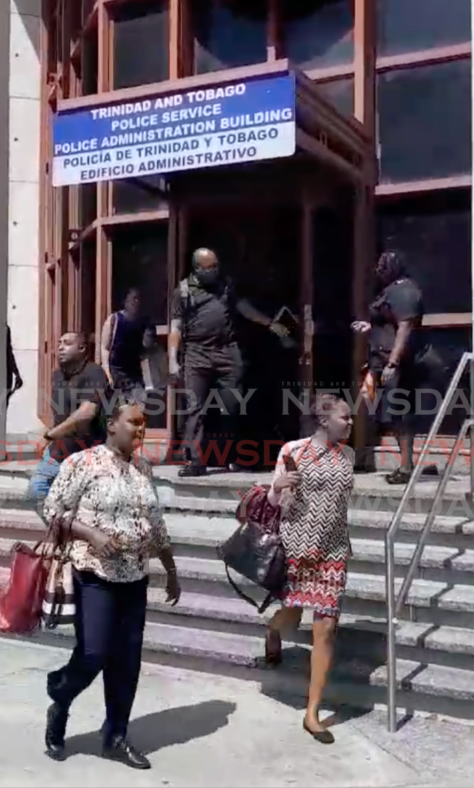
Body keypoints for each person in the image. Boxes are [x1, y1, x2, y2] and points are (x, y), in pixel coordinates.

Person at [43, 399, 181, 769]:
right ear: (111, 425)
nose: (140, 429)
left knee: (127, 660)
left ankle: (115, 736)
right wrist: (90, 533)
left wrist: (170, 567)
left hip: (135, 576)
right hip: (94, 574)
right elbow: (52, 510)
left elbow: (155, 521)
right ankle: (61, 696)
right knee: (93, 653)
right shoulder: (82, 463)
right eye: (133, 422)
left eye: (144, 424)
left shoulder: (142, 469)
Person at [264, 394, 354, 745]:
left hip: (333, 551)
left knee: (326, 628)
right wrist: (278, 487)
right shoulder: (294, 450)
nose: (349, 423)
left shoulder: (347, 455)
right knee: (291, 613)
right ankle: (273, 632)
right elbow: (274, 501)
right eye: (344, 418)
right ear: (324, 420)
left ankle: (312, 712)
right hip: (297, 548)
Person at [169, 247, 290, 476]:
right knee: (195, 407)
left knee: (232, 406)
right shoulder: (183, 291)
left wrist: (269, 323)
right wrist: (173, 360)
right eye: (209, 267)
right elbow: (175, 327)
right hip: (197, 352)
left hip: (227, 351)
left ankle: (232, 456)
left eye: (216, 266)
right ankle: (195, 462)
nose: (214, 270)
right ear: (197, 269)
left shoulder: (225, 285)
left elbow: (243, 309)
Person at [351, 250, 428, 485]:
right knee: (387, 413)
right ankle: (405, 465)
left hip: (396, 364)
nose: (380, 269)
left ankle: (406, 467)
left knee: (398, 414)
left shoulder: (405, 291)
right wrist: (368, 325)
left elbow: (405, 327)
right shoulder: (391, 290)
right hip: (380, 361)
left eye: (385, 265)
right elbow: (388, 321)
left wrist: (393, 363)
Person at [27, 331, 108, 504]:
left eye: (67, 343)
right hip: (60, 447)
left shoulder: (94, 373)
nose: (60, 347)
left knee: (82, 501)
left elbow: (86, 412)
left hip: (88, 450)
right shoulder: (58, 375)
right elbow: (58, 412)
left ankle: (70, 528)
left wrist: (50, 435)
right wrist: (47, 432)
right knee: (36, 491)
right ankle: (61, 528)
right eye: (59, 343)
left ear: (82, 348)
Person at [101, 288, 148, 402]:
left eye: (138, 299)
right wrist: (107, 371)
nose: (136, 302)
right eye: (133, 298)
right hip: (115, 371)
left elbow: (145, 353)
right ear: (125, 301)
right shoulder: (115, 319)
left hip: (134, 374)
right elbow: (105, 347)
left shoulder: (142, 323)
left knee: (140, 404)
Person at [6, 324, 23, 408]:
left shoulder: (4, 329)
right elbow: (9, 352)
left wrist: (17, 374)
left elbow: (9, 352)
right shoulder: (4, 329)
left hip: (5, 373)